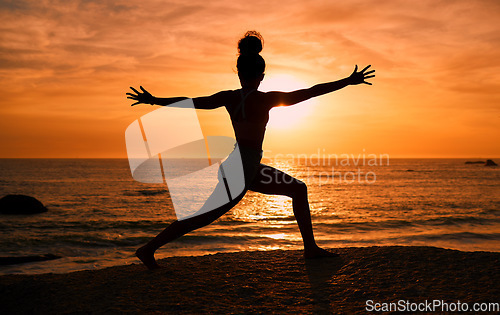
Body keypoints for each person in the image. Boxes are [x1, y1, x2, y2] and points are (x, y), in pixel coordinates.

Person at [126, 31, 375, 269]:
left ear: (239, 74)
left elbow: (192, 103)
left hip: (242, 166)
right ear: (262, 76)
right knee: (203, 217)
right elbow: (311, 92)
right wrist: (348, 81)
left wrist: (155, 100)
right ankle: (149, 248)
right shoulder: (266, 99)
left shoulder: (229, 97)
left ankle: (310, 249)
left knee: (298, 189)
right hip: (242, 169)